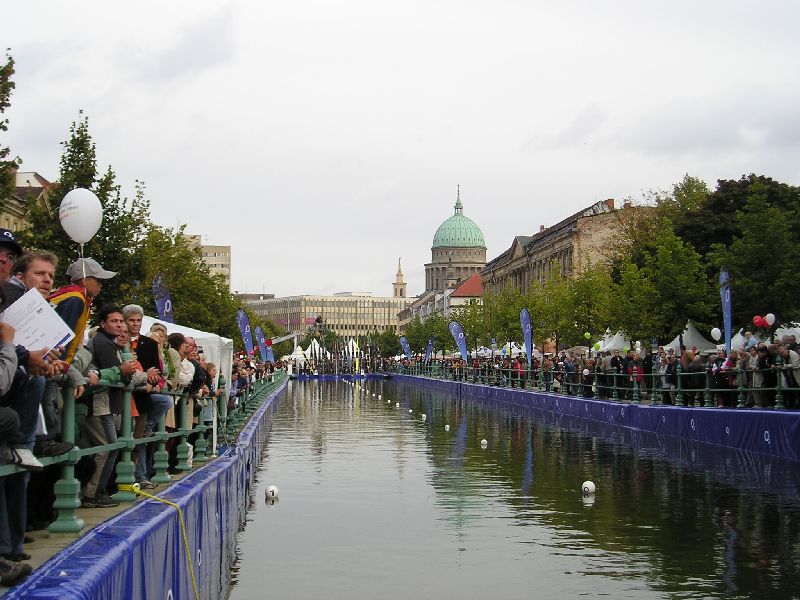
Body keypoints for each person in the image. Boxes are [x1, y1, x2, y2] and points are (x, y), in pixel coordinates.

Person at [81, 305, 135, 507]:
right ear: (103, 324)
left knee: (108, 447)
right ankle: (93, 493)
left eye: (121, 321)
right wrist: (124, 372)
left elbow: (126, 374)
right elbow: (123, 373)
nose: (120, 325)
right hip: (99, 403)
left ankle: (95, 491)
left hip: (104, 403)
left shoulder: (111, 343)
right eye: (115, 321)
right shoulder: (103, 343)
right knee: (108, 447)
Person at [49, 257, 116, 364]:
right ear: (84, 280)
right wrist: (59, 366)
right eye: (98, 280)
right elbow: (63, 338)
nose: (101, 285)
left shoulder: (67, 294)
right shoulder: (76, 300)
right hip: (53, 366)